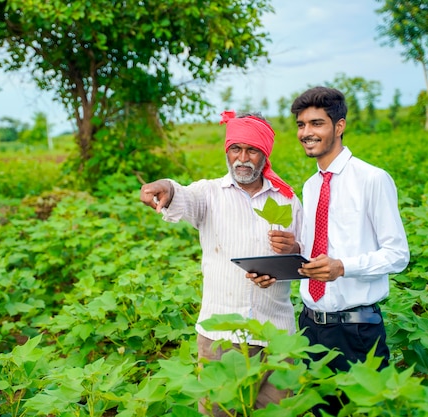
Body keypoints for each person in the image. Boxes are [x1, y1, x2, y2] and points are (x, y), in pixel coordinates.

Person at [139, 111, 303, 415]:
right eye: (235, 149)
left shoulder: (287, 200)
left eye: (252, 150)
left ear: (265, 154)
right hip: (221, 339)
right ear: (227, 151)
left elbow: (302, 260)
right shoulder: (208, 193)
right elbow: (181, 197)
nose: (242, 158)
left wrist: (292, 249)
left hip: (276, 335)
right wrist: (166, 187)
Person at [289, 86, 410, 414]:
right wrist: (295, 249)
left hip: (356, 329)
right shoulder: (311, 185)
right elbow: (321, 246)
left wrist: (342, 267)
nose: (306, 133)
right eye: (301, 125)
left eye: (317, 124)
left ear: (339, 126)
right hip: (310, 325)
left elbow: (398, 254)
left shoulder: (372, 179)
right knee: (320, 411)